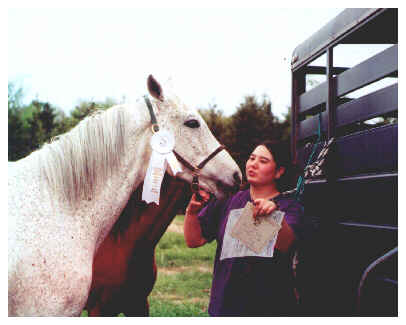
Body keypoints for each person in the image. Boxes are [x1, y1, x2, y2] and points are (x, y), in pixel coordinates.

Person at [184, 140, 304, 316]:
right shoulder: (228, 200)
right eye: (251, 158)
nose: (253, 164)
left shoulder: (289, 207)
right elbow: (194, 240)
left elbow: (286, 244)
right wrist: (192, 212)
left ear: (279, 171)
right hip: (225, 307)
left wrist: (273, 215)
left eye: (263, 161)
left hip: (271, 309)